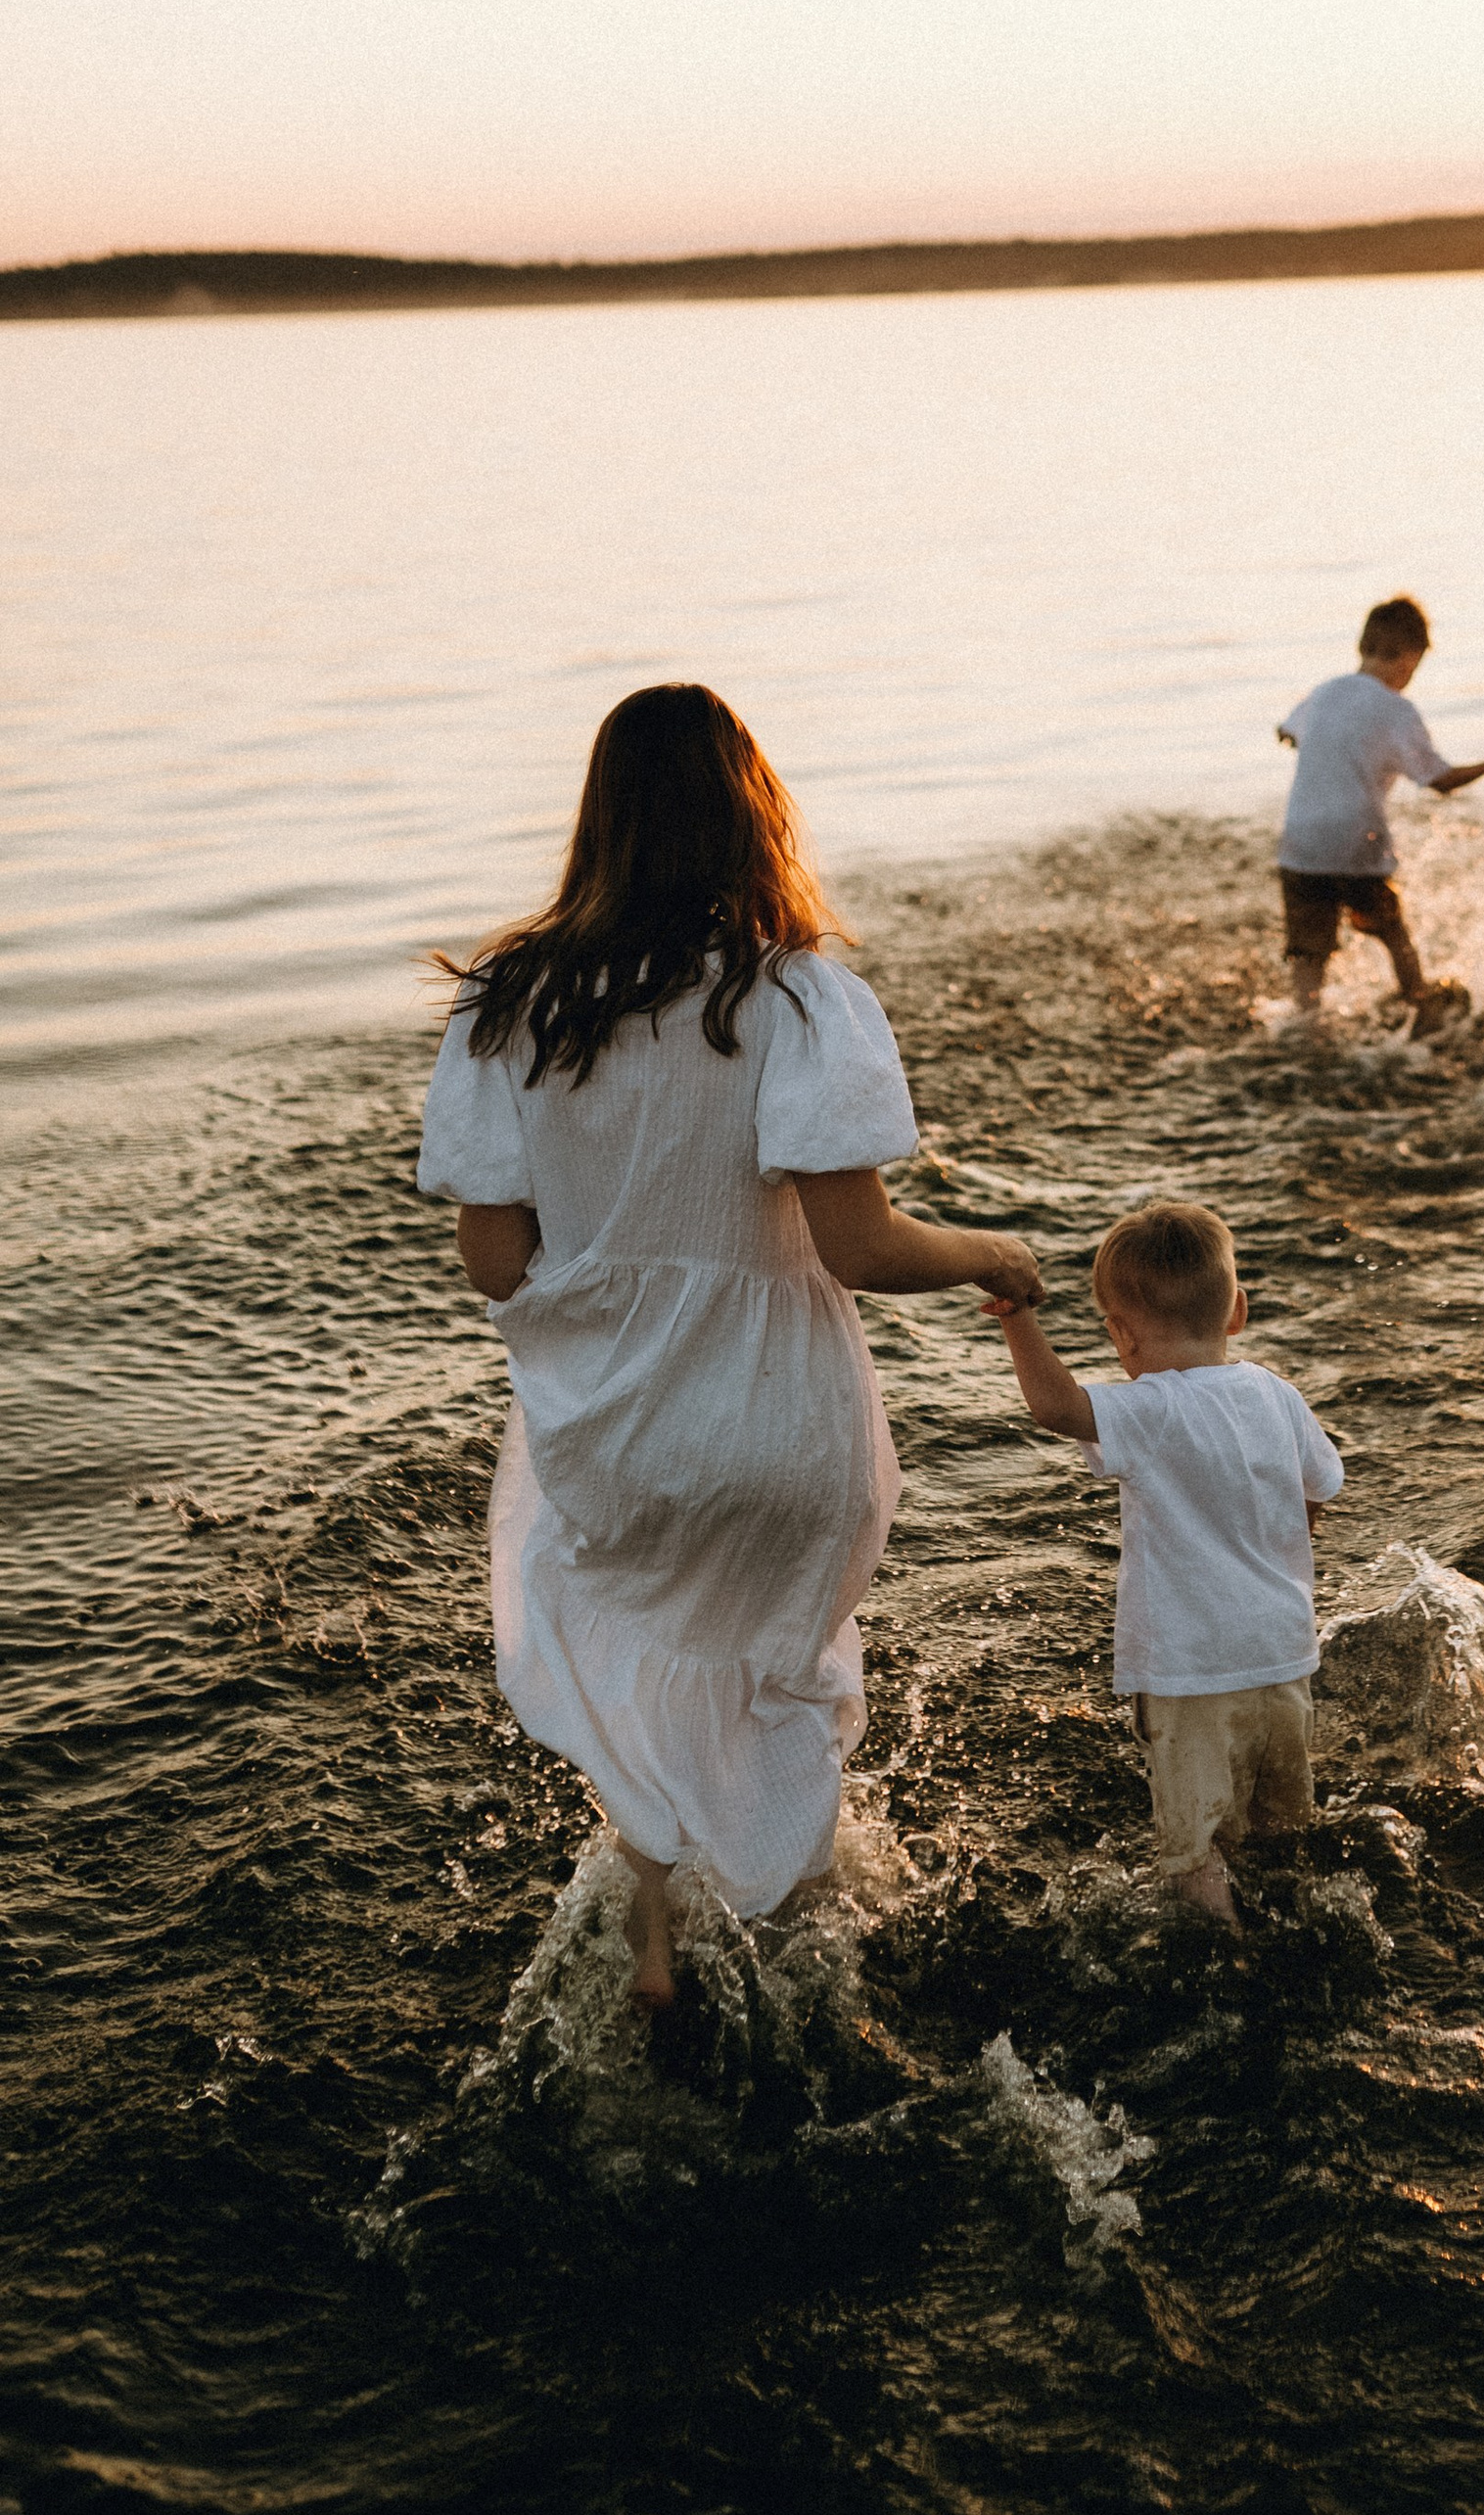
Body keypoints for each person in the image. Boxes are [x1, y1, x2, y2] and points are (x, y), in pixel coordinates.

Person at [416, 681, 1040, 2011]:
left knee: (640, 1663)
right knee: (780, 1674)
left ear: (599, 822)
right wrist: (995, 1254)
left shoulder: (509, 1009)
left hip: (614, 1427)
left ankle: (652, 1946)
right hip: (780, 1416)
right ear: (753, 816)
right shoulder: (797, 1000)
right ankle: (806, 1967)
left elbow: (495, 1264)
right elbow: (863, 1248)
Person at [987, 1198, 1343, 1926]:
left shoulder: (1151, 1410)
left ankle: (1226, 1960)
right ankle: (1299, 1933)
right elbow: (1317, 1495)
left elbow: (1056, 1407)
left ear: (1121, 1334)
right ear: (1236, 1309)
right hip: (1284, 1659)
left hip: (1193, 1674)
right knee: (1285, 1835)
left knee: (1194, 1855)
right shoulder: (1279, 1396)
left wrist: (1016, 1314)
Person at [1275, 596, 1484, 1032]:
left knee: (1309, 951)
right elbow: (1440, 780)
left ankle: (1304, 1025)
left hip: (1299, 846)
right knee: (1392, 933)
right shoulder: (1397, 710)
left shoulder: (1325, 691)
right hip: (1354, 847)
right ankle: (1420, 1008)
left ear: (1362, 645)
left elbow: (1287, 732)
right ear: (1409, 658)